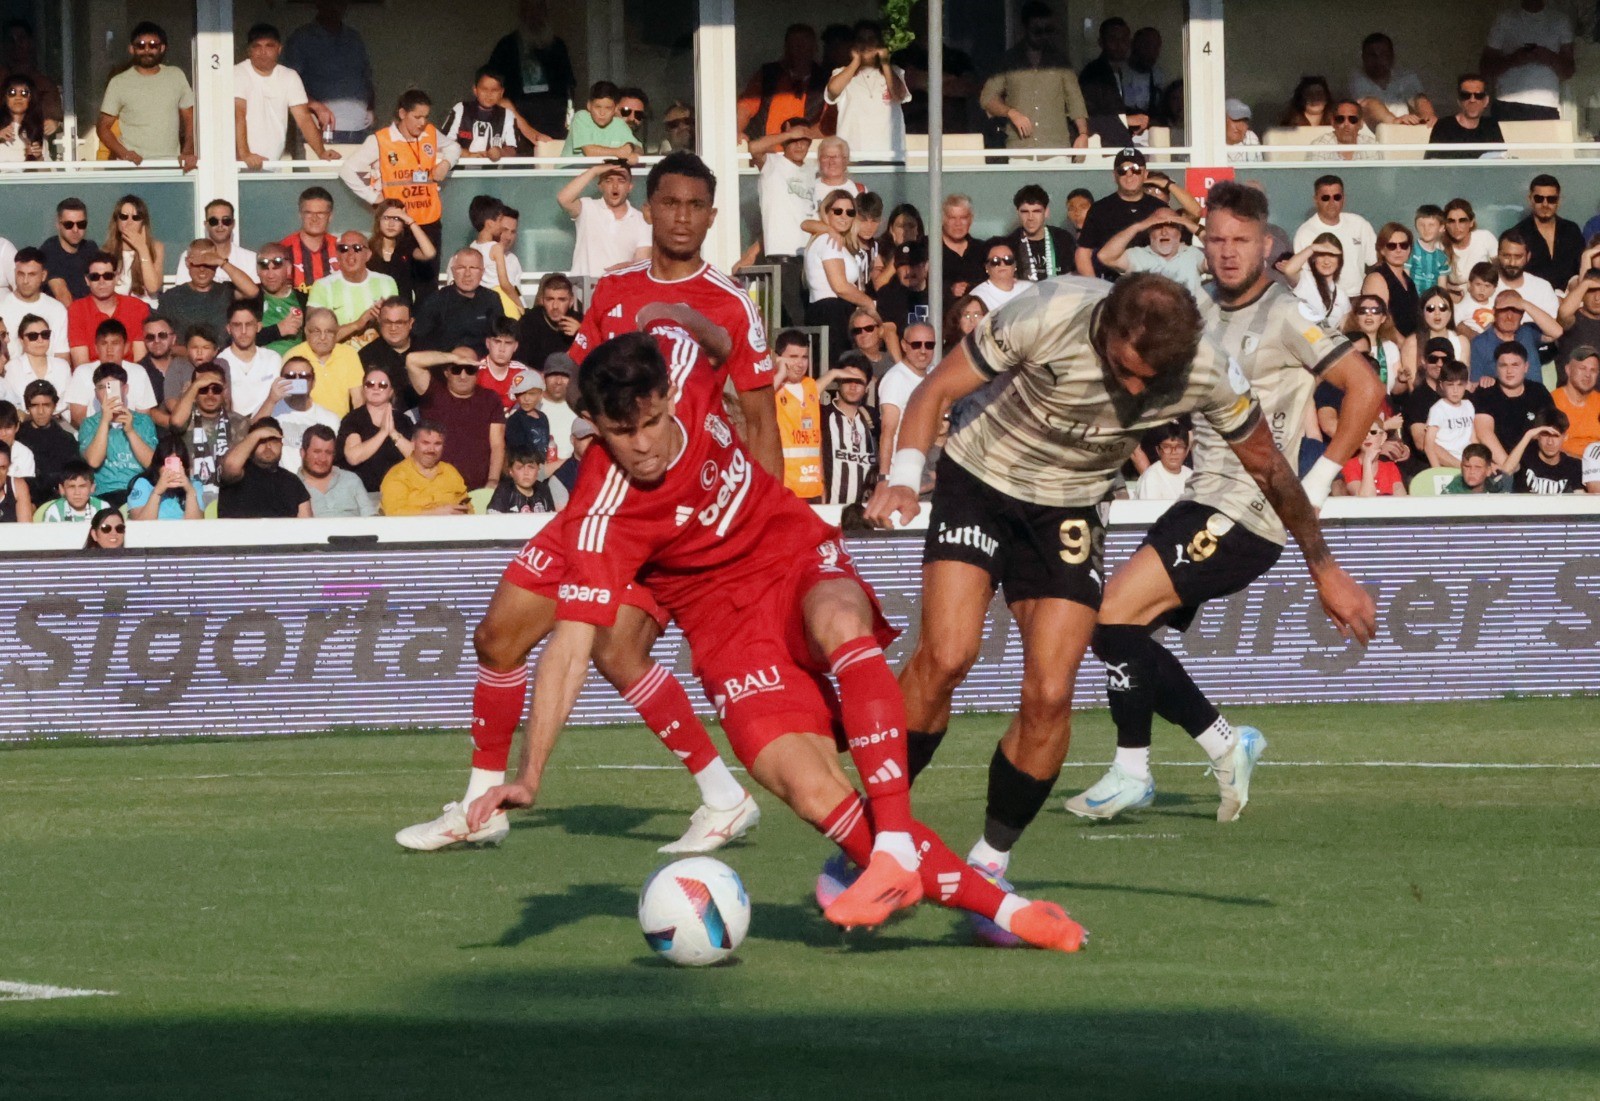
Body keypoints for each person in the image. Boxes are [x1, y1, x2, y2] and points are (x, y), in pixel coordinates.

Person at [467, 320, 1088, 949]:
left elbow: (716, 336)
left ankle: (896, 844)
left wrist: (676, 309)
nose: (644, 445)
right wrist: (530, 773)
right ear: (595, 426)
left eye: (651, 421)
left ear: (670, 396)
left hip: (792, 557)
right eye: (622, 433)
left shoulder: (678, 359)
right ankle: (1012, 913)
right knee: (814, 793)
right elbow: (570, 647)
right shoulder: (599, 511)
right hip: (726, 634)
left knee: (842, 622)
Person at [866, 267, 1375, 878]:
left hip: (1071, 506)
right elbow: (935, 390)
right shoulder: (1047, 310)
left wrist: (1324, 569)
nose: (1134, 389)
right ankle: (879, 836)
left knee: (1051, 694)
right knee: (949, 656)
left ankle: (988, 867)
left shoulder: (1207, 369)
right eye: (1124, 369)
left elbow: (1269, 468)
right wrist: (903, 477)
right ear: (1105, 327)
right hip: (980, 480)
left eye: (1149, 379)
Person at [398, 152, 776, 857]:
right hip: (595, 498)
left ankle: (722, 796)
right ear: (649, 209)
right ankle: (487, 803)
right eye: (670, 203)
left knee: (610, 645)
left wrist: (757, 534)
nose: (682, 217)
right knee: (498, 638)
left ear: (712, 216)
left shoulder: (730, 303)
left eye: (696, 206)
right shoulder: (615, 289)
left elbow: (761, 422)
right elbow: (578, 379)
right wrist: (584, 396)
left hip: (668, 516)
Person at [1065, 182, 1383, 825]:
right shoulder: (1195, 307)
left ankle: (1135, 769)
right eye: (1216, 238)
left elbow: (1365, 387)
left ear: (1266, 245)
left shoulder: (1286, 313)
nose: (1228, 250)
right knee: (1118, 632)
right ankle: (1222, 745)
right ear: (1201, 243)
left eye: (1241, 239)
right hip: (1201, 498)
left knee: (1113, 614)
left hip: (1247, 510)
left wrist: (1319, 480)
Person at [339, 89, 458, 288]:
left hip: (429, 220)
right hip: (399, 226)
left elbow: (453, 147)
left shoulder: (429, 133)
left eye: (426, 117)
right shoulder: (381, 140)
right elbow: (347, 170)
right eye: (417, 117)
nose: (422, 122)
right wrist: (375, 199)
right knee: (400, 283)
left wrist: (446, 164)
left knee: (428, 285)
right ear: (402, 113)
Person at [1075, 148, 1199, 281]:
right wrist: (1096, 287)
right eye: (1122, 170)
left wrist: (1167, 184)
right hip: (1112, 285)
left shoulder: (1159, 208)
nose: (1129, 175)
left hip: (1152, 284)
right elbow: (1083, 253)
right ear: (1114, 175)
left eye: (1136, 170)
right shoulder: (1100, 209)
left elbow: (1196, 212)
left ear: (1145, 174)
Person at [980, 1, 1087, 153]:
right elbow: (987, 98)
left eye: (1048, 30)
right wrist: (1012, 113)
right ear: (1024, 28)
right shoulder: (1009, 60)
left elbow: (1075, 100)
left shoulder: (1060, 61)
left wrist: (1083, 134)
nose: (1043, 36)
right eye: (1037, 31)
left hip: (1056, 146)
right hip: (1020, 147)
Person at [235, 22, 339, 167]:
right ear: (249, 50)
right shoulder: (237, 73)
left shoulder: (289, 76)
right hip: (240, 165)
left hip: (273, 164)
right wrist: (245, 154)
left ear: (279, 49)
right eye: (257, 46)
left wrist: (321, 152)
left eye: (269, 46)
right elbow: (238, 114)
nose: (263, 52)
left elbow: (304, 119)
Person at [96, 22, 195, 170]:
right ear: (132, 49)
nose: (147, 50)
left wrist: (187, 151)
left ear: (162, 48)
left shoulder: (176, 76)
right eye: (141, 45)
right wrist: (125, 154)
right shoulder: (119, 82)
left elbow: (190, 118)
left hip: (170, 166)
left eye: (153, 45)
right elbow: (103, 127)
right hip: (134, 169)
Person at [404, 346, 504, 490]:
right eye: (456, 369)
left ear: (477, 372)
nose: (463, 376)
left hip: (479, 488)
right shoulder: (432, 392)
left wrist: (493, 480)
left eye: (470, 369)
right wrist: (454, 358)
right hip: (435, 486)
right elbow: (411, 360)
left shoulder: (490, 398)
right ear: (446, 372)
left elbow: (497, 444)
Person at [282, 0, 375, 146]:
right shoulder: (302, 38)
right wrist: (316, 106)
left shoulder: (353, 38)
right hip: (322, 129)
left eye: (340, 3)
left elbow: (366, 77)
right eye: (330, 3)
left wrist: (371, 107)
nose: (335, 7)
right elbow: (289, 85)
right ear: (319, 4)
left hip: (360, 128)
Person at [483, 0, 576, 143]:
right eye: (530, 11)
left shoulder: (557, 46)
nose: (535, 16)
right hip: (517, 114)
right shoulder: (506, 46)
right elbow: (491, 81)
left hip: (554, 119)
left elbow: (569, 85)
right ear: (522, 14)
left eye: (539, 10)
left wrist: (568, 116)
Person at [823, 21, 909, 160]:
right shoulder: (841, 73)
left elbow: (899, 94)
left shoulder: (895, 72)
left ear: (879, 43)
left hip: (890, 156)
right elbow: (832, 91)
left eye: (871, 39)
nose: (867, 44)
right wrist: (856, 61)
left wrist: (885, 63)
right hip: (853, 156)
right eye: (861, 40)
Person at [77, 363, 155, 507]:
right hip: (105, 495)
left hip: (140, 492)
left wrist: (130, 431)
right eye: (102, 387)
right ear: (96, 393)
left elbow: (151, 463)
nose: (107, 393)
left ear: (125, 389)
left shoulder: (143, 421)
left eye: (112, 387)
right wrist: (105, 421)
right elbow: (94, 461)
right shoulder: (89, 424)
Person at [1481, 0, 1574, 122]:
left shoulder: (1560, 21)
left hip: (1545, 104)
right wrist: (1514, 59)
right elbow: (1485, 67)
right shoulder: (1504, 19)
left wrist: (1548, 57)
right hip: (1507, 104)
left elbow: (1569, 71)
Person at [804, 189, 873, 353]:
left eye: (850, 212)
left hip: (833, 311)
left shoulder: (831, 239)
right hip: (831, 312)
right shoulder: (829, 241)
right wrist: (869, 304)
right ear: (826, 213)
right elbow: (840, 286)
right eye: (838, 211)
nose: (844, 216)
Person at [558, 161, 651, 280]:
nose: (615, 186)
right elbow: (563, 199)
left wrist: (625, 268)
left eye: (621, 181)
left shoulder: (641, 220)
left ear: (630, 187)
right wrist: (594, 171)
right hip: (584, 289)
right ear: (600, 186)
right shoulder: (587, 207)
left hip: (618, 288)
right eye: (608, 180)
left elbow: (642, 265)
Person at [166, 362, 247, 498]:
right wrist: (195, 385)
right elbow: (176, 423)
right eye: (203, 389)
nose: (210, 394)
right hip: (188, 494)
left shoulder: (240, 422)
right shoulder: (185, 417)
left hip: (229, 495)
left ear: (225, 390)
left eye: (216, 389)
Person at [307, 231, 397, 349]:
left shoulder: (386, 282)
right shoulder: (322, 286)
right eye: (343, 249)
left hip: (379, 355)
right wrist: (358, 324)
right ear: (337, 255)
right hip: (337, 356)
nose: (350, 253)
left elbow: (399, 330)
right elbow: (314, 339)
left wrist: (383, 318)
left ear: (368, 255)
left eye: (357, 248)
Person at [738, 24, 826, 140]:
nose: (800, 49)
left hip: (804, 148)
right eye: (794, 45)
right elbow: (745, 107)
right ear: (786, 48)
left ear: (814, 48)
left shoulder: (825, 79)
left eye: (805, 44)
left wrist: (801, 137)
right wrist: (736, 131)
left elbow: (828, 123)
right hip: (766, 148)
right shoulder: (768, 74)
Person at [1292, 176, 1375, 298]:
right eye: (1325, 198)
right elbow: (1302, 276)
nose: (1331, 203)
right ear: (1316, 200)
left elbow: (1375, 263)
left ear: (1343, 198)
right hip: (1325, 300)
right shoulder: (1305, 233)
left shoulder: (1359, 224)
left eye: (1337, 197)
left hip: (1359, 297)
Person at [1473, 343, 1556, 464]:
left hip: (1535, 464)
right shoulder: (1485, 392)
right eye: (1503, 365)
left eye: (1515, 365)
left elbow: (1551, 428)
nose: (1509, 371)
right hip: (1499, 464)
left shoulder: (1538, 391)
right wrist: (1510, 467)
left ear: (1526, 367)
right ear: (1496, 368)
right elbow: (1484, 432)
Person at [337, 364, 413, 494]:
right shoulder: (352, 419)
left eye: (382, 385)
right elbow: (353, 457)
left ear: (391, 391)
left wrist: (393, 433)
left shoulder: (403, 420)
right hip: (361, 493)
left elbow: (416, 458)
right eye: (370, 384)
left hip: (398, 492)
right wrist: (383, 433)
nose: (376, 388)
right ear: (363, 389)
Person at [1097, 208, 1206, 297]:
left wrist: (1193, 227)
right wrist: (1137, 227)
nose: (1164, 232)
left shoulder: (1194, 253)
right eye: (1158, 226)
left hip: (1186, 315)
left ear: (1180, 232)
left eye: (1171, 226)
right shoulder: (1136, 255)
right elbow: (1105, 256)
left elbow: (1215, 259)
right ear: (1149, 232)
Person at [414, 250, 504, 356]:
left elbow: (501, 338)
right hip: (445, 362)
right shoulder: (436, 300)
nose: (467, 274)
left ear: (482, 272)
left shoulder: (492, 299)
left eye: (473, 268)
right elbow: (420, 340)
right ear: (453, 271)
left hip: (482, 362)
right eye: (461, 268)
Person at [445, 67, 545, 161]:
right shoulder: (461, 109)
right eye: (484, 89)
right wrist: (468, 154)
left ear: (501, 92)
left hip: (493, 172)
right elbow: (445, 143)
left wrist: (500, 152)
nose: (489, 94)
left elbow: (512, 149)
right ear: (475, 90)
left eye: (494, 90)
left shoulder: (507, 115)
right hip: (460, 170)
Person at [260, 356, 340, 472]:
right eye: (290, 376)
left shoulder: (330, 419)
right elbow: (251, 433)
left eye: (304, 376)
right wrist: (271, 399)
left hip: (315, 479)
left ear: (313, 382)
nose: (297, 380)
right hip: (279, 478)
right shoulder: (270, 408)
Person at [217, 418, 311, 517]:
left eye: (273, 441)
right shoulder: (240, 474)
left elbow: (307, 521)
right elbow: (231, 466)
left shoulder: (292, 482)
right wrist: (256, 434)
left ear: (281, 444)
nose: (268, 446)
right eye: (261, 441)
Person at [67, 253, 148, 366]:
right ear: (87, 280)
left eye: (108, 276)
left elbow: (140, 361)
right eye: (94, 277)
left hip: (129, 373)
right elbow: (81, 364)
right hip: (92, 374)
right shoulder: (77, 310)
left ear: (117, 277)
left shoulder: (136, 307)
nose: (102, 282)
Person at [771, 330, 823, 501]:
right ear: (778, 358)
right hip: (784, 488)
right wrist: (780, 374)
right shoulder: (772, 387)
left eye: (804, 357)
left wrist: (822, 483)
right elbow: (760, 406)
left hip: (812, 486)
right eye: (793, 357)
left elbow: (817, 441)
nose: (800, 363)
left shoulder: (810, 385)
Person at [282, 307, 362, 418]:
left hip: (340, 425)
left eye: (328, 332)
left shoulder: (348, 354)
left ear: (336, 333)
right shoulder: (293, 356)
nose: (323, 337)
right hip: (304, 423)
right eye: (316, 331)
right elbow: (288, 400)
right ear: (306, 331)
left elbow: (358, 400)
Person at [819, 353, 877, 506]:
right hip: (829, 509)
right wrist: (832, 374)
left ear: (867, 387)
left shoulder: (874, 418)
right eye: (847, 380)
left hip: (863, 512)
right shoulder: (822, 414)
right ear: (838, 382)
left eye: (859, 381)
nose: (853, 386)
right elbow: (803, 399)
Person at [377, 420, 468, 515]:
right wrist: (436, 513)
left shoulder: (450, 471)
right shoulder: (397, 475)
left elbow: (467, 505)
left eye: (437, 444)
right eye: (425, 443)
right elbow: (394, 514)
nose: (431, 449)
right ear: (413, 443)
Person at [875, 321, 935, 464]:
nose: (923, 350)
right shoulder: (896, 378)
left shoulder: (935, 375)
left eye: (929, 345)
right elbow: (888, 432)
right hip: (901, 468)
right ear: (904, 345)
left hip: (928, 468)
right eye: (916, 344)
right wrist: (884, 473)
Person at [1511, 175, 1584, 290]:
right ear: (1530, 199)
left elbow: (1582, 268)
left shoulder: (1571, 230)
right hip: (1532, 296)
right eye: (1539, 199)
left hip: (1571, 295)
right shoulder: (1518, 234)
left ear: (1558, 200)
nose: (1545, 204)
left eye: (1551, 199)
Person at [1469, 291, 1558, 385]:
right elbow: (1475, 383)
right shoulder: (1480, 343)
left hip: (1536, 393)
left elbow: (1557, 333)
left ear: (1522, 314)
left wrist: (1524, 304)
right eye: (1504, 310)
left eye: (1515, 311)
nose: (1509, 316)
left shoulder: (1528, 332)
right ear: (1494, 312)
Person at [1348, 32, 1434, 127]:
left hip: (1404, 132)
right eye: (1372, 55)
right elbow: (1368, 103)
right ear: (1363, 57)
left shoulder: (1406, 77)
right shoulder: (1356, 79)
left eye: (1383, 54)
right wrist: (1394, 121)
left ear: (1392, 56)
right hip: (1368, 136)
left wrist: (1428, 116)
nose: (1378, 60)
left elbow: (1419, 99)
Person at [216, 302, 284, 418]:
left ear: (258, 326)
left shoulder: (273, 359)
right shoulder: (221, 362)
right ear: (228, 328)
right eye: (237, 325)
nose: (243, 331)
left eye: (248, 324)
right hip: (235, 426)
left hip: (269, 423)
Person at [365, 199, 436, 310]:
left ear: (403, 223)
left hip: (403, 311)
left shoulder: (406, 247)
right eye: (386, 218)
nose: (391, 224)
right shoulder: (367, 248)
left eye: (397, 219)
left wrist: (410, 221)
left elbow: (429, 253)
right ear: (378, 220)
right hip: (374, 310)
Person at [1, 248, 68, 363]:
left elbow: (62, 357)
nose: (25, 281)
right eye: (21, 274)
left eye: (32, 274)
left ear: (43, 275)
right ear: (14, 273)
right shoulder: (2, 308)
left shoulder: (57, 310)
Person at [159, 242, 237, 340]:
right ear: (187, 263)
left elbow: (252, 291)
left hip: (223, 350)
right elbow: (161, 338)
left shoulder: (227, 292)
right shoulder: (171, 297)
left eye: (208, 263)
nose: (202, 269)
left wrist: (223, 263)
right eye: (197, 263)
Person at [176, 200, 258, 293]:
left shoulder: (251, 259)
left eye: (226, 221)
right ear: (206, 225)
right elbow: (182, 293)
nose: (220, 225)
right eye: (214, 221)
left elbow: (253, 293)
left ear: (233, 223)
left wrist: (222, 263)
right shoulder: (190, 255)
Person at [17, 381, 76, 499]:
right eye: (34, 405)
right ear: (27, 407)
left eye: (46, 405)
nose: (40, 411)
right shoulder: (17, 437)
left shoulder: (67, 439)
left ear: (54, 406)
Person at [1005, 184, 1075, 283]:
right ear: (1018, 213)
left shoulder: (1064, 240)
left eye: (1036, 211)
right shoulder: (1009, 245)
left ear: (1046, 212)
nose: (1030, 218)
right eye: (1025, 212)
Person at [298, 423, 373, 516]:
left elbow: (372, 518)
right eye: (317, 452)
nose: (323, 459)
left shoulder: (352, 480)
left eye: (328, 452)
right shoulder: (291, 486)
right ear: (302, 453)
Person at [1362, 222, 1420, 338]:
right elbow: (1380, 322)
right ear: (1382, 250)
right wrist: (1404, 345)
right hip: (1388, 344)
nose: (1398, 250)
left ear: (1409, 249)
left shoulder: (1408, 281)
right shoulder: (1376, 279)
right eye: (1392, 246)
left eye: (1404, 245)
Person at [1427, 74, 1506, 159]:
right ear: (1459, 100)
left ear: (1486, 101)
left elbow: (1500, 159)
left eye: (1478, 96)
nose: (1472, 100)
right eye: (1466, 95)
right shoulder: (1443, 126)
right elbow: (1434, 162)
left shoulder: (1491, 126)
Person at [1280, 233, 1350, 328]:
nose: (1326, 261)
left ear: (1339, 260)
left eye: (1332, 255)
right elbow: (1288, 270)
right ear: (1313, 258)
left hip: (1326, 338)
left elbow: (1343, 329)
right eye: (1321, 255)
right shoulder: (1304, 278)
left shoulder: (1341, 295)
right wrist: (1312, 248)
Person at [126, 435, 203, 521]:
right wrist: (157, 493)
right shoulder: (143, 484)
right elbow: (140, 525)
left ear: (184, 466)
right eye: (167, 464)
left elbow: (197, 526)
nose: (171, 470)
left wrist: (190, 492)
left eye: (176, 464)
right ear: (158, 465)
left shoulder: (194, 486)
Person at [514, 273, 580, 373]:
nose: (555, 306)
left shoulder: (580, 322)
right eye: (550, 299)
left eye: (562, 300)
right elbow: (517, 363)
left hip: (571, 379)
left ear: (571, 301)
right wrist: (540, 377)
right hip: (536, 378)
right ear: (542, 301)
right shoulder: (529, 322)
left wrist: (581, 333)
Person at [102, 195, 162, 302]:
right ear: (117, 220)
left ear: (143, 222)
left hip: (147, 309)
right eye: (124, 217)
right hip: (119, 308)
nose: (129, 222)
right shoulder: (106, 252)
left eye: (136, 217)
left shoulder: (155, 248)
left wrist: (142, 249)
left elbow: (153, 287)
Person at [280, 187, 338, 294]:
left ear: (330, 216)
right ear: (300, 215)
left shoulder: (342, 249)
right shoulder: (283, 250)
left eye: (321, 213)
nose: (314, 218)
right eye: (309, 213)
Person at [562, 81, 641, 160]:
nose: (602, 113)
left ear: (616, 109)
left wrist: (632, 149)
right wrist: (619, 152)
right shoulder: (581, 117)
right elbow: (590, 152)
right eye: (598, 107)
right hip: (572, 167)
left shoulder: (619, 124)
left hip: (604, 167)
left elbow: (639, 148)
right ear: (589, 105)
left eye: (608, 108)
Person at [1424, 360, 1478, 467]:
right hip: (1447, 464)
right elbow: (1428, 445)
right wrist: (1437, 471)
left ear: (1466, 384)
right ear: (1442, 385)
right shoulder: (1438, 409)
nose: (1455, 390)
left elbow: (1473, 439)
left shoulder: (1468, 406)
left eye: (1460, 385)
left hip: (1469, 461)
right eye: (1450, 385)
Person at [1442, 199, 1499, 293]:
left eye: (1462, 221)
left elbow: (1500, 272)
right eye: (1451, 221)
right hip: (1454, 295)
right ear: (1445, 224)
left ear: (1471, 222)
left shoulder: (1485, 237)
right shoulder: (1440, 245)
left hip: (1485, 294)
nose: (1457, 227)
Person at [42, 197, 91, 305]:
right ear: (58, 224)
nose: (75, 230)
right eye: (69, 225)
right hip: (64, 313)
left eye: (81, 224)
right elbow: (62, 295)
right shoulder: (49, 251)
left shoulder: (91, 248)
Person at [1339, 421, 1408, 496]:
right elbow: (1366, 497)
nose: (1367, 437)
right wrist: (1367, 461)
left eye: (1373, 432)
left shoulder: (1390, 467)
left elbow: (1401, 498)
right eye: (1362, 433)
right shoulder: (1349, 465)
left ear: (1383, 437)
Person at [1553, 347, 1600, 457]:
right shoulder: (1551, 402)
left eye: (1593, 370)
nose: (1588, 375)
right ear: (1568, 370)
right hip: (1565, 464)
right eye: (1582, 368)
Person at [875, 240, 931, 332]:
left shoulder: (940, 294)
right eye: (902, 265)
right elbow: (888, 332)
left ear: (926, 266)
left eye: (913, 264)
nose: (908, 271)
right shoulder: (887, 296)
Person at [502, 367, 554, 464]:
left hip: (541, 466)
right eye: (521, 394)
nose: (526, 398)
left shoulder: (543, 417)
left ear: (540, 395)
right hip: (525, 468)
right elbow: (518, 455)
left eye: (532, 394)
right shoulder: (515, 421)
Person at [1128, 423, 1191, 500]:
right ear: (1158, 450)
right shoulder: (1151, 477)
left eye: (1179, 447)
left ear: (1187, 450)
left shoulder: (1192, 476)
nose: (1173, 452)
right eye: (1167, 447)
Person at [968, 240, 1031, 312]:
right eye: (995, 261)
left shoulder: (1029, 288)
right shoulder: (977, 296)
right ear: (986, 267)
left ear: (1015, 264)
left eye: (1008, 259)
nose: (1002, 264)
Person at [0, 74, 50, 162]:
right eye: (12, 92)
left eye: (24, 93)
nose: (18, 97)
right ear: (5, 97)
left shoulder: (36, 131)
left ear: (30, 98)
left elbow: (48, 169)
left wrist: (38, 157)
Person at [35, 459, 105, 521]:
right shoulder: (54, 511)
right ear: (62, 489)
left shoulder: (102, 508)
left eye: (82, 486)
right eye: (71, 487)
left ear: (92, 487)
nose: (77, 493)